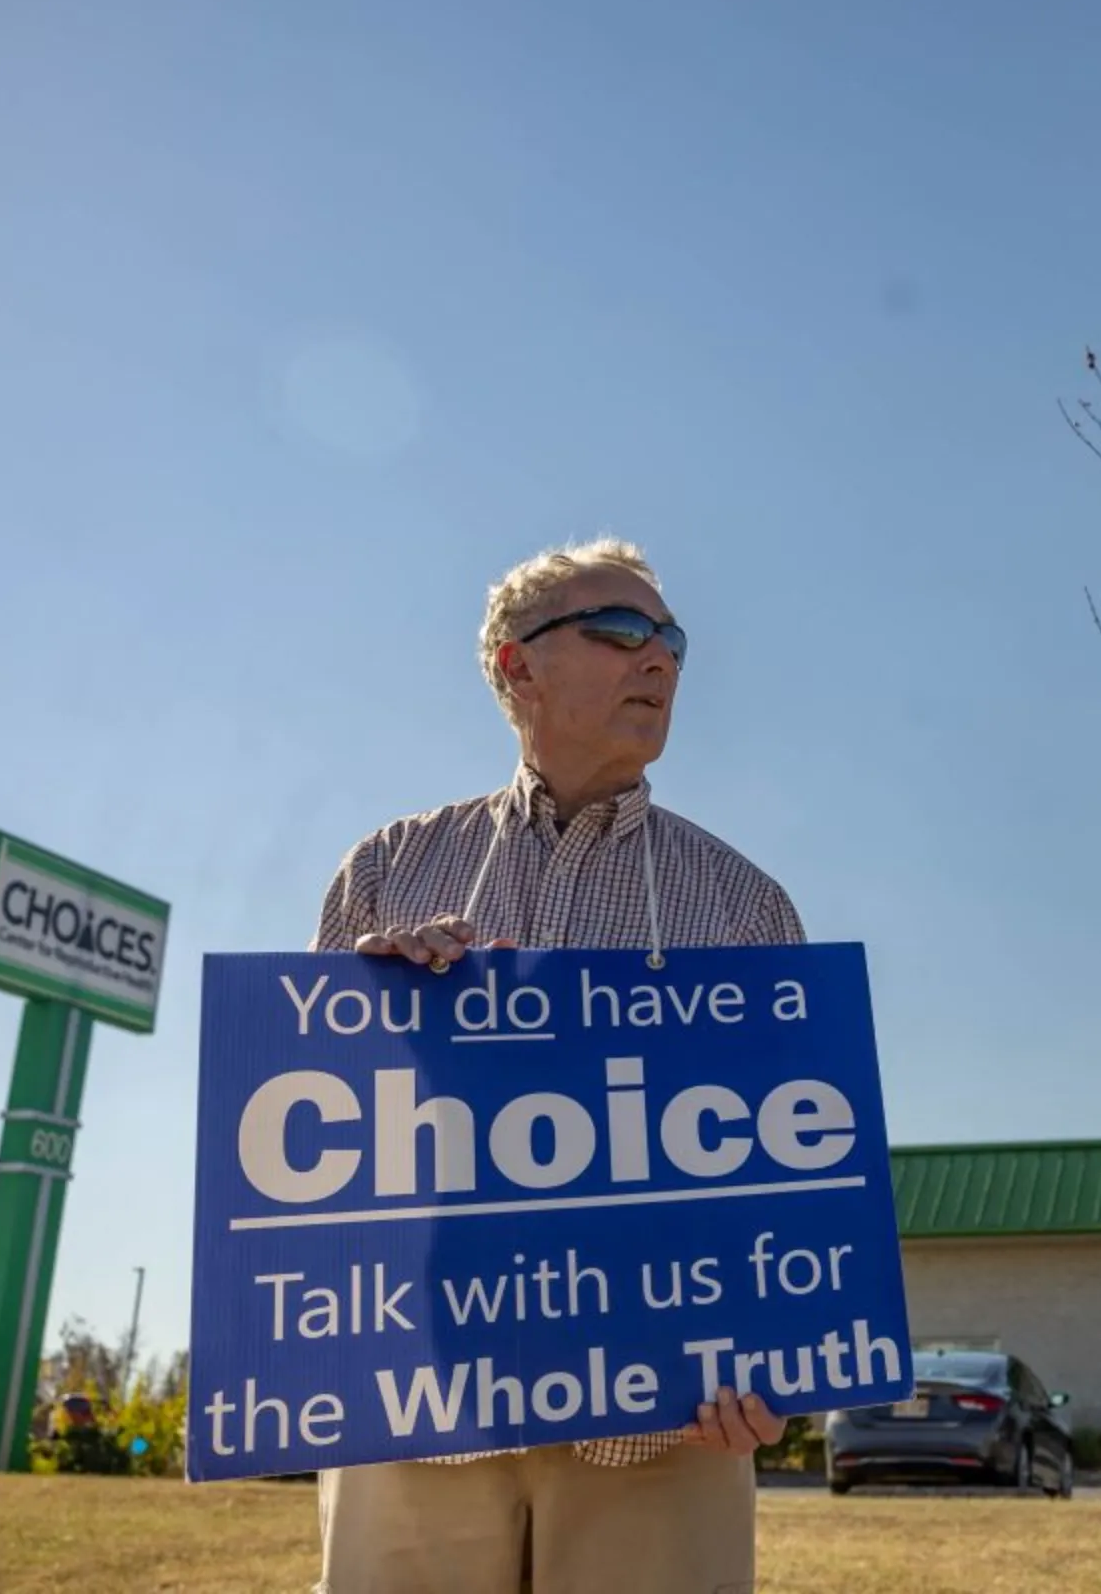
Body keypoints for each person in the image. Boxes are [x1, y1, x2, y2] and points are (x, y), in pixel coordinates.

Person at [308, 537, 801, 1594]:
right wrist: (369, 1015)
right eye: (621, 630)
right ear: (513, 665)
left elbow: (792, 1184)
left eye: (671, 639)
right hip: (417, 1411)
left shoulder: (749, 908)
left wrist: (782, 1358)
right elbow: (312, 1154)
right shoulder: (386, 872)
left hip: (672, 1426)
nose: (660, 658)